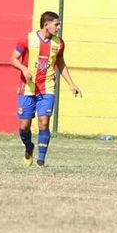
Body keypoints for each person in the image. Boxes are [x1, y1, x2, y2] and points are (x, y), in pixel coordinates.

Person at [9, 11, 82, 167]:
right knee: (24, 126)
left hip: (47, 87)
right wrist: (23, 69)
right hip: (27, 88)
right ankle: (29, 146)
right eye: (56, 24)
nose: (58, 27)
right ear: (46, 24)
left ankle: (41, 161)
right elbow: (13, 59)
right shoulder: (27, 39)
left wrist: (71, 83)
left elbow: (61, 63)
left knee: (44, 122)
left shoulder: (59, 43)